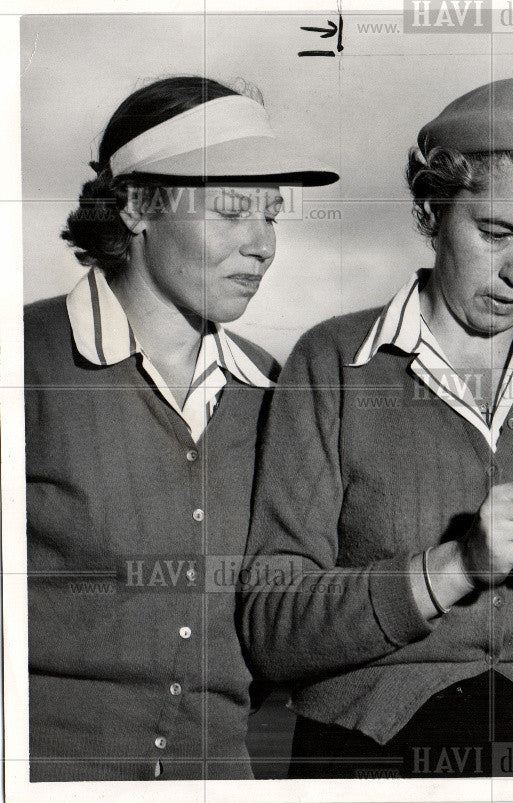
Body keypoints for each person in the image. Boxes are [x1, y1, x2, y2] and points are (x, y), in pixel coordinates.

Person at [239, 74, 513, 779]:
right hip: (367, 760)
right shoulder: (332, 363)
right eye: (496, 232)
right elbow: (270, 625)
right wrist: (457, 566)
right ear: (432, 206)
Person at [25, 76, 338, 781]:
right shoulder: (25, 358)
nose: (263, 246)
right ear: (138, 205)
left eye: (272, 215)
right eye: (232, 211)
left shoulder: (274, 389)